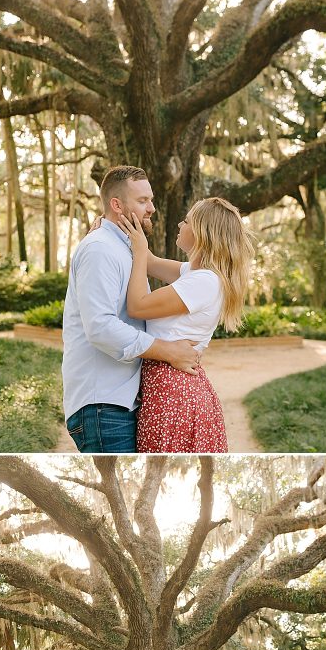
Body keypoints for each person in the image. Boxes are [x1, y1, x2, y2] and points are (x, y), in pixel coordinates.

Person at [62, 166, 200, 453]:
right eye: (142, 201)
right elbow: (100, 328)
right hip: (103, 404)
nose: (151, 208)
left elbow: (193, 274)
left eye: (150, 200)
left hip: (119, 401)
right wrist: (168, 350)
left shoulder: (125, 248)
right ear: (117, 205)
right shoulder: (100, 248)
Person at [119, 196, 254, 453]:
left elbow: (137, 305)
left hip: (174, 392)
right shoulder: (196, 274)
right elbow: (150, 262)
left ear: (203, 233)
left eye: (187, 220)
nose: (180, 224)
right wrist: (112, 228)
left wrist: (138, 251)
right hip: (176, 386)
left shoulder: (204, 282)